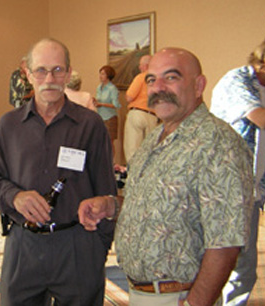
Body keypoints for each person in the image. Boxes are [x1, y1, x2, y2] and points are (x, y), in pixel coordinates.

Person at [78, 47, 254, 306]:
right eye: (151, 80)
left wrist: (196, 303)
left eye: (171, 77)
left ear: (199, 85)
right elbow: (153, 202)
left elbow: (226, 242)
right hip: (142, 293)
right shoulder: (155, 138)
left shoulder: (218, 144)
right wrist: (111, 205)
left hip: (180, 296)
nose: (158, 87)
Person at [0, 38, 117, 306]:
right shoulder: (8, 126)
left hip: (77, 246)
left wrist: (96, 251)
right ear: (28, 74)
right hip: (24, 247)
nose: (50, 78)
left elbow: (107, 193)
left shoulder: (90, 125)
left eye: (58, 70)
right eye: (42, 70)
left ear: (68, 73)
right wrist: (15, 197)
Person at [210, 34, 265, 306]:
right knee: (217, 259)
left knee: (245, 264)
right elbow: (260, 118)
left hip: (254, 189)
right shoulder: (237, 81)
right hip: (225, 187)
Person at [123, 54, 158, 163]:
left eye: (140, 65)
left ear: (145, 66)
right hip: (153, 116)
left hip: (137, 113)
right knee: (149, 150)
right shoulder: (158, 79)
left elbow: (129, 97)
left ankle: (133, 176)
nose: (139, 67)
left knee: (132, 150)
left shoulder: (141, 77)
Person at [95, 65, 121, 149]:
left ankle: (111, 161)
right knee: (100, 142)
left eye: (103, 74)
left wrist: (102, 104)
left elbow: (116, 105)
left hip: (110, 118)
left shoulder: (112, 89)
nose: (100, 76)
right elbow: (99, 99)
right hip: (100, 117)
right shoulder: (99, 87)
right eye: (100, 74)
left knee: (109, 143)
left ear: (108, 75)